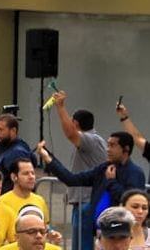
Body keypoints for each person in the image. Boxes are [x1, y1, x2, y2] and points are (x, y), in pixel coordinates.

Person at [38, 132, 146, 243]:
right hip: (98, 231)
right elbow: (72, 179)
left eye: (112, 146)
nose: (108, 149)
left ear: (126, 149)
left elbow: (129, 201)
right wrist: (48, 159)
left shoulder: (135, 173)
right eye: (108, 145)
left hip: (120, 232)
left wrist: (111, 182)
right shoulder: (104, 167)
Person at [51, 91, 108, 250]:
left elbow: (70, 133)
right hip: (85, 202)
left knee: (81, 246)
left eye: (70, 121)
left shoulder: (91, 140)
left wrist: (60, 107)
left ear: (75, 123)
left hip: (86, 203)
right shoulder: (94, 141)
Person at [0, 159, 50, 223]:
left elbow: (45, 225)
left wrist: (51, 232)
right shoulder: (2, 202)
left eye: (33, 173)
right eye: (26, 173)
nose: (31, 177)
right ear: (14, 177)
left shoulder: (39, 200)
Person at [0, 113, 35, 193]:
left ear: (13, 131)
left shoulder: (17, 152)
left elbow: (23, 180)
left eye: (1, 129)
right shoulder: (5, 146)